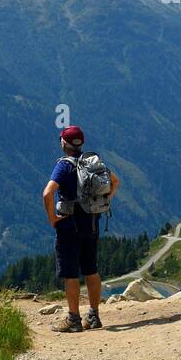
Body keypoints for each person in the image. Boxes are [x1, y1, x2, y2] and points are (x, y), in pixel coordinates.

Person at [43, 125, 118, 332]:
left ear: (64, 144)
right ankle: (93, 317)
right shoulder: (93, 162)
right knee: (91, 270)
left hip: (68, 226)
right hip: (92, 223)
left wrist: (52, 218)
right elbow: (115, 181)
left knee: (71, 274)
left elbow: (47, 194)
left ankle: (74, 319)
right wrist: (104, 202)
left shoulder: (64, 166)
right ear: (81, 143)